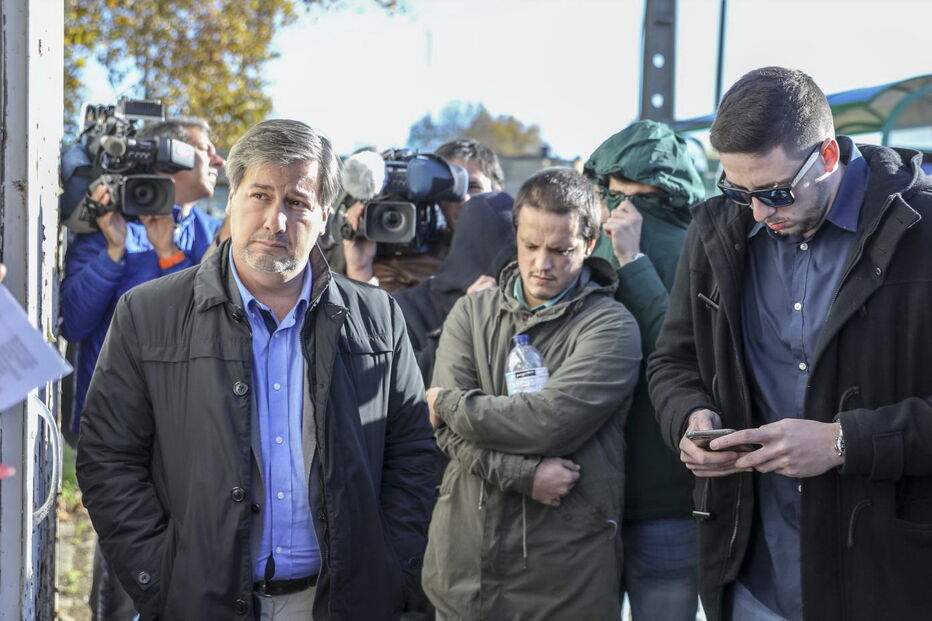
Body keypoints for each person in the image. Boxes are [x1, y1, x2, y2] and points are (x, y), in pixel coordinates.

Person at [76, 119, 436, 620]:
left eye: (297, 202)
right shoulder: (148, 314)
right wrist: (162, 577)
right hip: (200, 603)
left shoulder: (378, 317)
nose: (276, 221)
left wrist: (390, 569)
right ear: (230, 199)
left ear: (325, 215)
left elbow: (414, 458)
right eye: (261, 195)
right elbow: (107, 460)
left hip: (337, 604)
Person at [647, 66, 932, 621]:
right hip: (752, 580)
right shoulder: (714, 232)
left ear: (827, 157)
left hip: (890, 582)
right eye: (738, 191)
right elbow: (672, 362)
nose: (757, 213)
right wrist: (690, 419)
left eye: (775, 193)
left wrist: (843, 441)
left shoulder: (923, 231)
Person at [422, 167, 642, 620]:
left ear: (590, 242)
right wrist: (524, 475)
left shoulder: (612, 326)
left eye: (561, 250)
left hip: (563, 584)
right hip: (464, 575)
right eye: (531, 246)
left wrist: (447, 402)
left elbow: (548, 424)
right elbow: (445, 436)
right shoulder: (471, 310)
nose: (543, 263)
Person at [584, 119, 706, 620]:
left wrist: (633, 263)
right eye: (615, 194)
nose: (626, 210)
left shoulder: (697, 253)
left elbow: (682, 360)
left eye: (640, 196)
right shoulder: (580, 244)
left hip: (655, 503)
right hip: (600, 500)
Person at [60, 117, 224, 435]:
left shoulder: (215, 235)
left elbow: (207, 327)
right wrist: (113, 252)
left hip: (185, 427)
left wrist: (169, 256)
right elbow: (74, 324)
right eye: (206, 150)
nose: (220, 160)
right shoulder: (106, 225)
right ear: (169, 156)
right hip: (110, 427)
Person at [343, 139, 505, 291]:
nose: (463, 197)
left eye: (473, 186)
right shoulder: (408, 265)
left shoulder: (520, 248)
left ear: (498, 190)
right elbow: (380, 320)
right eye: (451, 188)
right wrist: (360, 270)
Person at [393, 190, 515, 384]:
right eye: (508, 263)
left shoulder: (524, 304)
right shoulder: (405, 308)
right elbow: (406, 386)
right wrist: (465, 320)